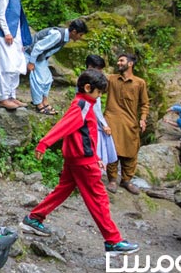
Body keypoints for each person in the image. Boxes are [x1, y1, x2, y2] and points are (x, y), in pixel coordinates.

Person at [20, 69, 140, 256]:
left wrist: (97, 157)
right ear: (87, 87)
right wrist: (44, 143)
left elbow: (86, 135)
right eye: (99, 92)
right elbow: (65, 126)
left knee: (63, 190)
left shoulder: (85, 104)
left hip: (78, 158)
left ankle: (34, 218)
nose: (100, 96)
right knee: (98, 198)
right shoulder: (82, 105)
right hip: (82, 161)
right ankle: (113, 241)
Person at [103, 53, 149, 195]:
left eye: (121, 60)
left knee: (131, 151)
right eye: (118, 60)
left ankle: (126, 180)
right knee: (113, 150)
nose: (118, 63)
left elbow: (145, 103)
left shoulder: (139, 83)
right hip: (112, 119)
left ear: (130, 64)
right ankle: (112, 180)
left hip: (130, 122)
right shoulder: (111, 79)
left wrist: (142, 118)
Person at [25, 19, 89, 115]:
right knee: (39, 79)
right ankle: (38, 104)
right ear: (74, 32)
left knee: (48, 79)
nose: (80, 37)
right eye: (80, 35)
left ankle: (45, 102)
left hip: (40, 58)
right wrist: (31, 62)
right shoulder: (58, 35)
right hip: (32, 54)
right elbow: (38, 46)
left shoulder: (65, 37)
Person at [0, 0, 35, 110]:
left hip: (15, 38)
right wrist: (6, 33)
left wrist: (20, 42)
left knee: (15, 67)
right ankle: (3, 98)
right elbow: (0, 15)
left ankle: (12, 96)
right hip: (4, 36)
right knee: (5, 67)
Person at [85, 55, 118, 172]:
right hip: (91, 121)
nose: (101, 72)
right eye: (99, 69)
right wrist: (104, 124)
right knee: (95, 147)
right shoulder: (88, 81)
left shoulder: (92, 79)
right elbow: (93, 107)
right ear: (90, 66)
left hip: (94, 120)